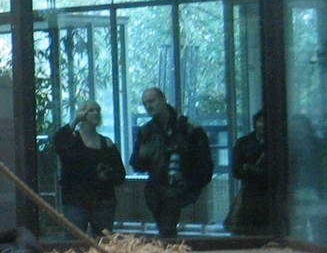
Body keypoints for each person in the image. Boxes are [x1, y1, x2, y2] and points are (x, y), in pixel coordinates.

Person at [130, 86, 213, 239]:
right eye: (145, 103)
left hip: (182, 188)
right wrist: (143, 155)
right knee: (166, 229)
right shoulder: (146, 131)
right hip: (157, 190)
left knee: (167, 229)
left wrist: (189, 183)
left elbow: (205, 165)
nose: (148, 106)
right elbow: (136, 165)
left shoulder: (189, 128)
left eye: (152, 101)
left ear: (163, 99)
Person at [51, 100, 126, 237]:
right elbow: (57, 141)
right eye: (91, 110)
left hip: (103, 200)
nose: (96, 113)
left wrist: (107, 175)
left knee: (103, 241)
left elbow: (120, 174)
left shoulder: (107, 143)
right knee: (74, 241)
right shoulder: (72, 140)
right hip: (76, 200)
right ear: (82, 114)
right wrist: (75, 120)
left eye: (98, 110)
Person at [225, 110, 271, 234]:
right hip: (250, 196)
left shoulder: (276, 144)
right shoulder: (243, 143)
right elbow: (236, 170)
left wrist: (249, 169)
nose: (263, 125)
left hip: (268, 197)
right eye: (261, 121)